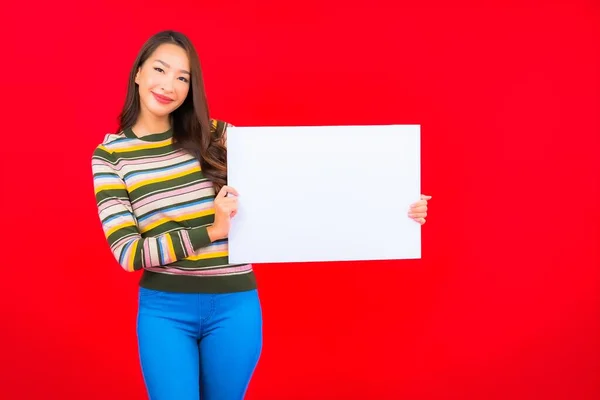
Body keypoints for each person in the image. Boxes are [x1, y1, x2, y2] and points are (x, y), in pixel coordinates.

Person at [91, 30, 431, 400]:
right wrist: (213, 230)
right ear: (138, 72)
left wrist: (393, 207)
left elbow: (304, 182)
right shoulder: (110, 156)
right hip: (165, 311)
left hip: (235, 307)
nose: (168, 85)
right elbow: (129, 253)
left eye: (182, 77)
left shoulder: (217, 135)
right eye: (160, 69)